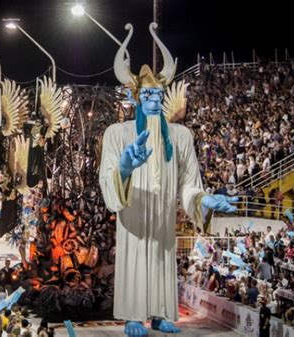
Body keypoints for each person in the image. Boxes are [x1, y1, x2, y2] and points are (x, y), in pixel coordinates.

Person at [99, 24, 237, 337]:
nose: (153, 99)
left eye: (158, 94)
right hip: (133, 214)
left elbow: (189, 182)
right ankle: (133, 316)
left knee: (162, 261)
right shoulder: (117, 134)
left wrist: (204, 200)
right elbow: (107, 177)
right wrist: (124, 168)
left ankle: (160, 314)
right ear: (136, 97)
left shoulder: (180, 136)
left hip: (163, 218)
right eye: (147, 93)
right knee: (135, 258)